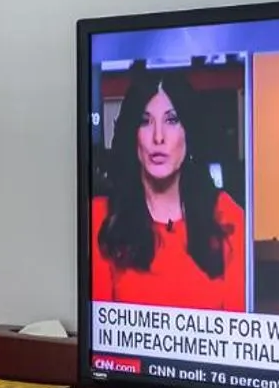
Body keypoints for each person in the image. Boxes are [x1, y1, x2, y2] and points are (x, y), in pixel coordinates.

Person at [90, 66, 247, 310]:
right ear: (133, 134)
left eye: (172, 120)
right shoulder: (101, 218)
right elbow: (99, 336)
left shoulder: (228, 218)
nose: (158, 137)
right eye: (145, 122)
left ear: (189, 132)